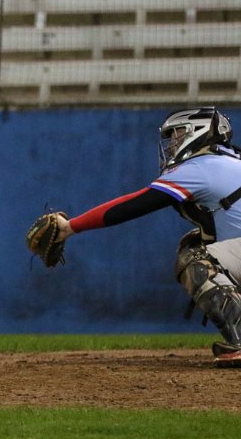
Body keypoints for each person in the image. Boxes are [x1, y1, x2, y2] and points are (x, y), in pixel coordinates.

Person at [46, 107, 241, 367]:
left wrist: (70, 226)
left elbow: (134, 205)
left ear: (199, 132)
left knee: (195, 257)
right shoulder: (230, 160)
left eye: (178, 134)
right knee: (203, 241)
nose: (172, 143)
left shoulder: (200, 166)